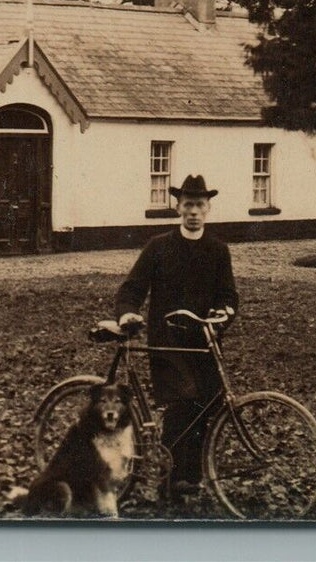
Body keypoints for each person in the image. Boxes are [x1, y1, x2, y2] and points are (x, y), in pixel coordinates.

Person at [114, 174, 237, 501]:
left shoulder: (218, 251)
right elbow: (132, 288)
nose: (193, 211)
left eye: (199, 205)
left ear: (208, 208)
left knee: (206, 406)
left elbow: (229, 296)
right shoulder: (159, 247)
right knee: (183, 401)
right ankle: (169, 481)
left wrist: (224, 314)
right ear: (178, 207)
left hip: (204, 344)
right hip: (167, 344)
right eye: (187, 205)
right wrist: (127, 311)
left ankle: (191, 477)